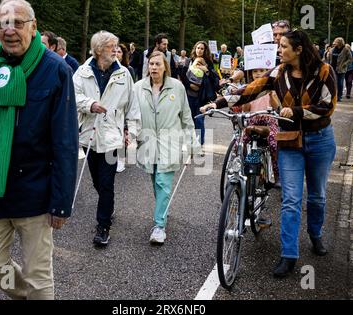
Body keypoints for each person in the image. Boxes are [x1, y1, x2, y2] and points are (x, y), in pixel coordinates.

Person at [201, 30, 337, 278]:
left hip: (319, 140)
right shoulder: (278, 73)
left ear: (298, 49)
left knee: (317, 196)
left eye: (283, 46)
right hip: (289, 142)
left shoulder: (324, 71)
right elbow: (249, 90)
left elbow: (327, 107)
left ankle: (315, 234)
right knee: (291, 199)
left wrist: (294, 111)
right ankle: (289, 255)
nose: (279, 50)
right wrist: (217, 102)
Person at [0, 0, 78, 300]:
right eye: (2, 23)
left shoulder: (55, 69)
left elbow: (65, 141)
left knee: (39, 275)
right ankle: (23, 294)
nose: (9, 29)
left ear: (33, 27)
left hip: (35, 191)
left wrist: (61, 201)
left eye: (17, 22)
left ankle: (35, 292)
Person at [73, 30, 140, 247]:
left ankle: (103, 226)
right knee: (97, 182)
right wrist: (89, 105)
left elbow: (133, 106)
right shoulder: (82, 72)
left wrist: (132, 132)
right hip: (90, 136)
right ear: (100, 49)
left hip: (113, 137)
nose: (117, 50)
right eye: (113, 46)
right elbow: (72, 97)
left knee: (107, 182)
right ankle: (107, 208)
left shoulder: (124, 74)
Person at [133, 50, 199, 244]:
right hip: (147, 141)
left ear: (165, 67)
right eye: (151, 64)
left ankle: (159, 226)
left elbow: (186, 118)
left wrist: (193, 145)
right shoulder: (138, 87)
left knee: (163, 181)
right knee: (155, 180)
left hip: (170, 142)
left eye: (158, 64)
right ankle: (163, 210)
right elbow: (132, 114)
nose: (154, 67)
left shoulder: (177, 87)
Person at [181, 41, 219, 150]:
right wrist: (190, 85)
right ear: (195, 49)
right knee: (189, 120)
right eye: (198, 48)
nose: (200, 50)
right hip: (189, 95)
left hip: (202, 97)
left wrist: (206, 70)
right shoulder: (189, 61)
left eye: (202, 48)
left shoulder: (208, 63)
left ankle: (199, 144)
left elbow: (215, 80)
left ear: (205, 50)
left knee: (199, 120)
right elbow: (183, 76)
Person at [115, 43, 136, 173]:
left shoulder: (129, 70)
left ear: (123, 55)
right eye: (115, 51)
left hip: (123, 106)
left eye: (119, 52)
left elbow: (131, 91)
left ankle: (121, 160)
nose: (116, 54)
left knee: (123, 134)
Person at [328, 37, 352, 102]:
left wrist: (345, 64)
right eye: (334, 42)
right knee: (334, 83)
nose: (334, 43)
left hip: (341, 69)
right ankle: (334, 96)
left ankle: (339, 96)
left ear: (340, 43)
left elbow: (350, 59)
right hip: (333, 68)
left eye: (336, 42)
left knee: (340, 83)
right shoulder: (332, 49)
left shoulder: (346, 49)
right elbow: (329, 58)